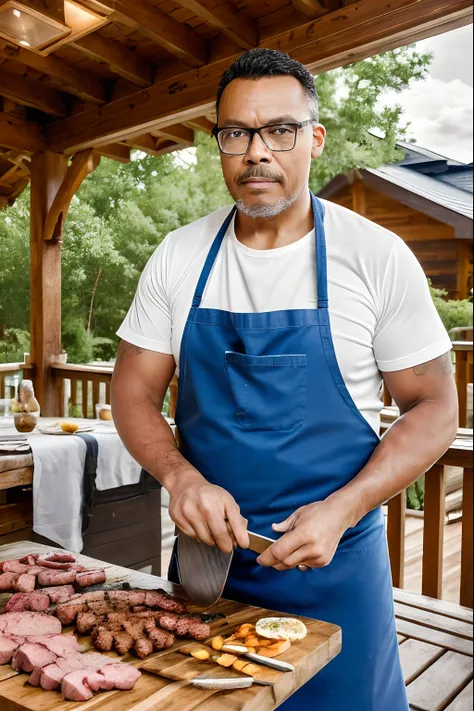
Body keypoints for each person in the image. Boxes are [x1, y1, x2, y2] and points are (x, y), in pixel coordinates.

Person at [112, 48, 458, 710]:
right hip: (207, 573)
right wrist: (182, 478)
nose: (256, 152)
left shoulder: (376, 255)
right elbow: (131, 392)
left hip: (338, 570)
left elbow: (437, 406)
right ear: (218, 143)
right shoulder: (180, 256)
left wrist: (344, 507)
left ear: (314, 139)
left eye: (280, 130)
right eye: (235, 132)